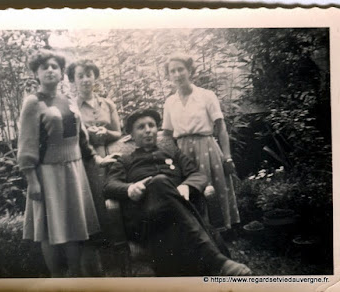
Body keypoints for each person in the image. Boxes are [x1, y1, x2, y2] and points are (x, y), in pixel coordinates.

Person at [104, 109, 251, 276]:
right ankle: (218, 262)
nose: (148, 130)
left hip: (176, 216)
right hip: (146, 217)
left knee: (170, 204)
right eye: (141, 127)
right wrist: (129, 189)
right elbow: (109, 185)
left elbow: (197, 174)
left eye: (151, 125)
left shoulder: (173, 153)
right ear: (131, 134)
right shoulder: (125, 161)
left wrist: (187, 186)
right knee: (159, 182)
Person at [18, 49, 115, 277]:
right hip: (48, 174)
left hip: (74, 171)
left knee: (73, 227)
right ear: (36, 74)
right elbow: (27, 144)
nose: (50, 70)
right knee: (50, 230)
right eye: (45, 67)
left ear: (62, 73)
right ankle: (57, 279)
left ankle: (76, 276)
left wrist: (97, 159)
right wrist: (32, 180)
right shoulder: (33, 103)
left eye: (55, 67)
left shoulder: (68, 101)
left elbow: (82, 138)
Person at [162, 53, 240, 231]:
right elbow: (166, 133)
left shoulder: (206, 96)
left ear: (190, 70)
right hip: (182, 151)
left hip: (206, 148)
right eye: (172, 71)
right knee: (189, 189)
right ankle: (198, 230)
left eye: (180, 69)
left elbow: (220, 127)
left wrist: (227, 157)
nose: (177, 74)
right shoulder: (170, 102)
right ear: (168, 75)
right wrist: (171, 156)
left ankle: (220, 228)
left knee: (212, 187)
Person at [66, 59, 122, 275]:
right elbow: (71, 137)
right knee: (94, 208)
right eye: (80, 75)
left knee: (113, 205)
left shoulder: (107, 104)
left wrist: (106, 134)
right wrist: (89, 134)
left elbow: (119, 132)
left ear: (95, 77)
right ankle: (98, 262)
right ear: (73, 80)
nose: (85, 79)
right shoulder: (71, 108)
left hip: (108, 156)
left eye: (89, 74)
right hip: (86, 160)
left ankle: (118, 255)